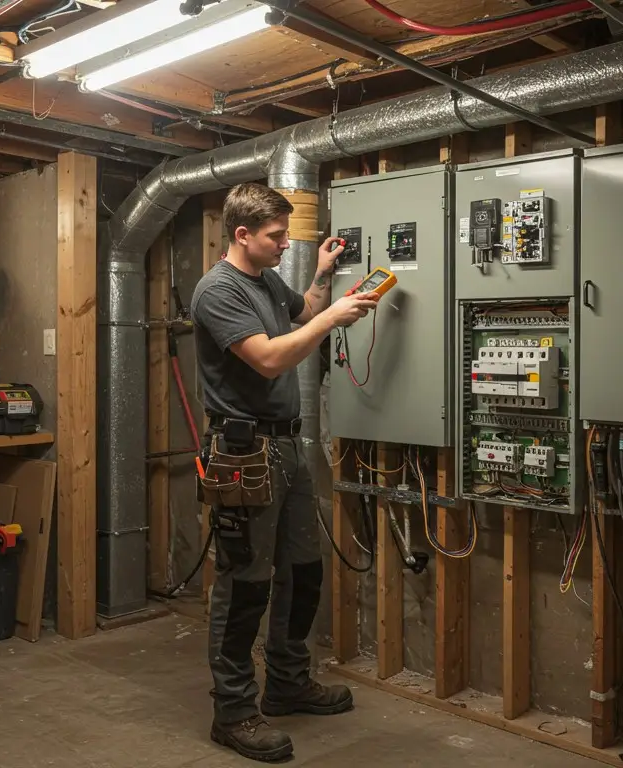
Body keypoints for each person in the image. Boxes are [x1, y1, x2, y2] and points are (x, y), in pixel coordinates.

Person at [191, 182, 380, 762]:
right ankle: (234, 710)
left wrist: (323, 276)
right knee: (245, 580)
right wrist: (337, 320)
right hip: (245, 454)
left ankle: (288, 682)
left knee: (302, 570)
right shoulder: (216, 291)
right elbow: (271, 355)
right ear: (242, 234)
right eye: (276, 237)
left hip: (287, 448)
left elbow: (303, 311)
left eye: (288, 235)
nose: (284, 245)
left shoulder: (264, 278)